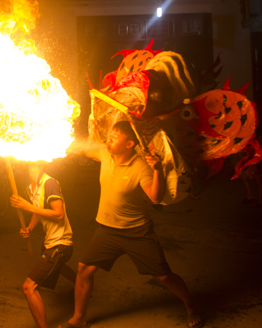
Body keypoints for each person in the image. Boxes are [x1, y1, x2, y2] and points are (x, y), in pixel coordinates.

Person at [61, 121, 201, 328]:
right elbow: (88, 150)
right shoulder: (105, 154)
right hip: (107, 230)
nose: (109, 139)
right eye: (109, 135)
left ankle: (191, 305)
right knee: (84, 269)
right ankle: (79, 319)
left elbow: (155, 197)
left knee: (163, 277)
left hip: (136, 232)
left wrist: (157, 169)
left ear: (129, 144)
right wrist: (93, 128)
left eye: (114, 136)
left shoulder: (141, 167)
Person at [10, 162, 76, 328]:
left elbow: (59, 214)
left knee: (28, 288)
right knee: (58, 267)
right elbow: (38, 212)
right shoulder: (30, 188)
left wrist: (27, 206)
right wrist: (29, 229)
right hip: (50, 242)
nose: (31, 167)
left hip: (61, 244)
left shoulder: (50, 183)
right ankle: (82, 285)